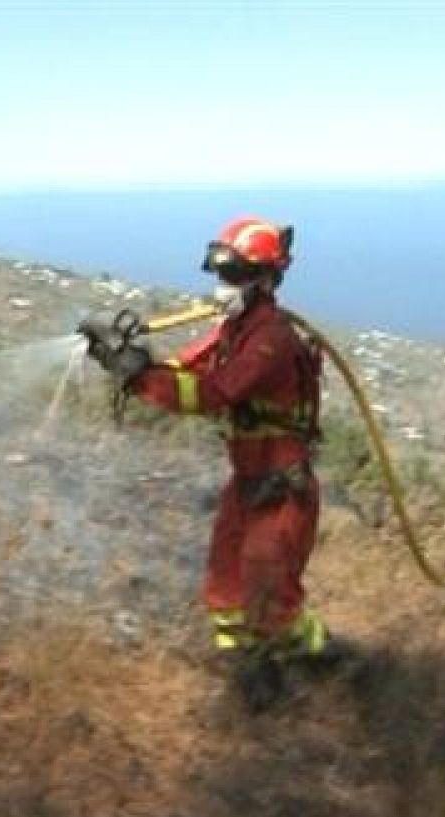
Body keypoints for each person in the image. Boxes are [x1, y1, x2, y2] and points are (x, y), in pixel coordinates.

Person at [79, 216, 340, 706]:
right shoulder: (232, 331)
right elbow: (182, 372)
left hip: (282, 487)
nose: (225, 287)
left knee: (267, 587)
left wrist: (140, 378)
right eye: (222, 276)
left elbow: (212, 394)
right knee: (224, 585)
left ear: (265, 280)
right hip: (247, 481)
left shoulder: (271, 340)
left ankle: (315, 665)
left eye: (237, 277)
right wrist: (125, 359)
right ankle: (246, 668)